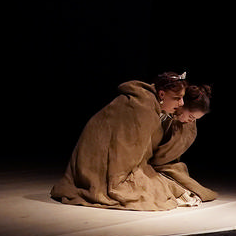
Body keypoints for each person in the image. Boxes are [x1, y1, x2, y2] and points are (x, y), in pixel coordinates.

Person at [50, 72, 199, 211]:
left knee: (160, 179)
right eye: (177, 98)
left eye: (182, 98)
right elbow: (125, 151)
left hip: (97, 154)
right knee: (143, 186)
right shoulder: (143, 106)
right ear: (161, 94)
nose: (181, 103)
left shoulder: (149, 103)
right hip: (95, 159)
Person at [150, 84, 218, 203]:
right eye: (191, 116)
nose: (191, 120)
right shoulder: (159, 113)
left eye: (195, 119)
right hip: (145, 160)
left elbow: (170, 152)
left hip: (161, 163)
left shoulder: (183, 124)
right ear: (182, 105)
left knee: (185, 180)